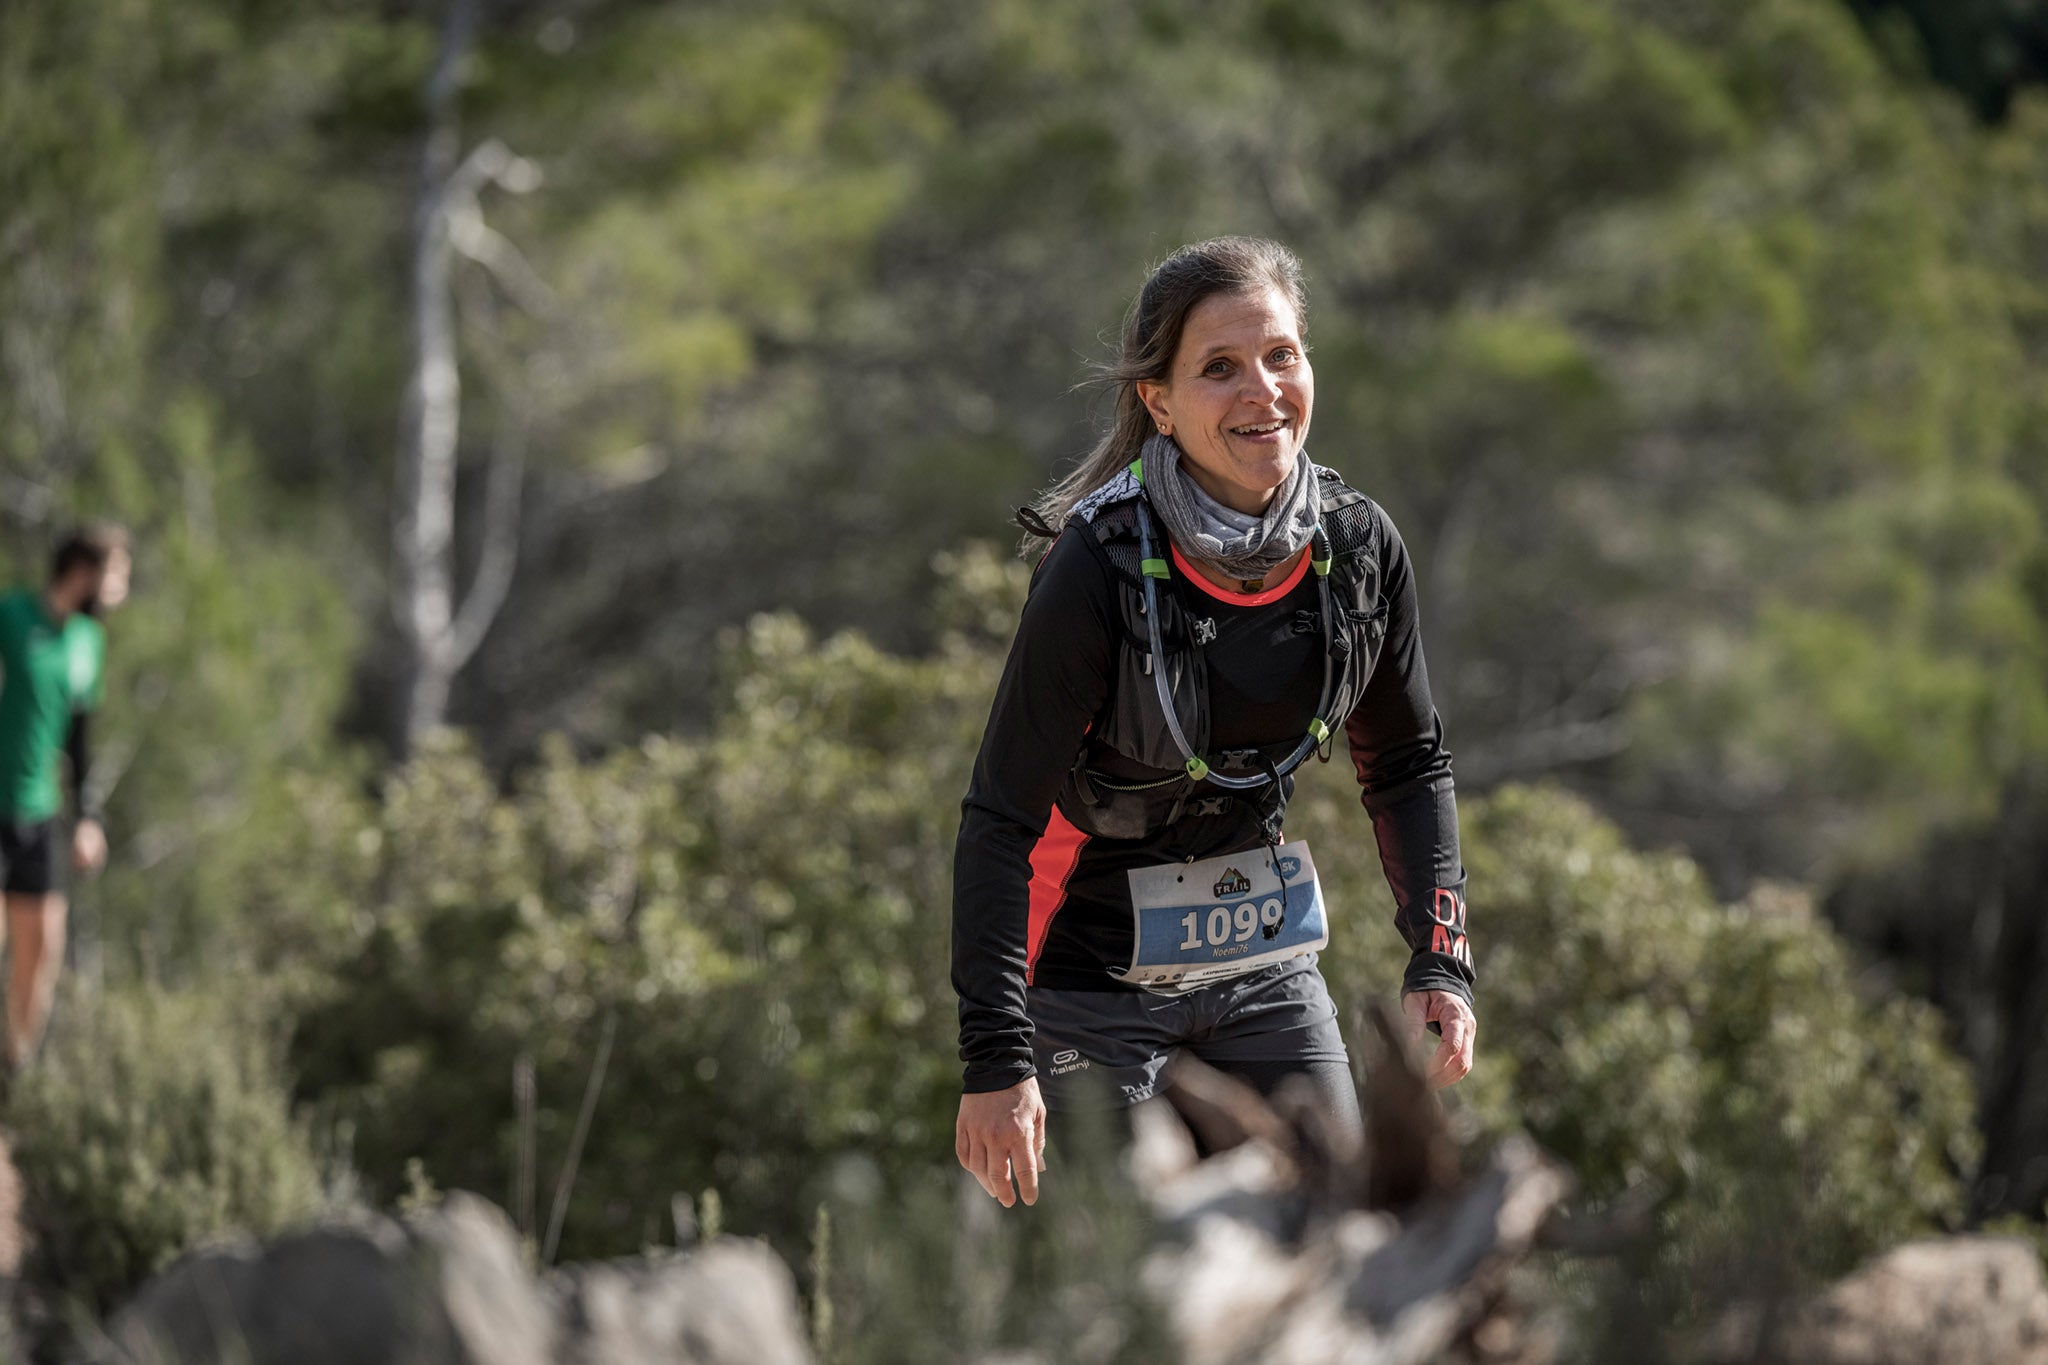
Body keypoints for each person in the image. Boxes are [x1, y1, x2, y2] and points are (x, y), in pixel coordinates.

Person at [951, 238, 1475, 1208]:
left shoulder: (1357, 548)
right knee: (1125, 1301)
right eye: (1219, 368)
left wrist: (1437, 958)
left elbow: (1404, 765)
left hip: (1262, 975)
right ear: (1157, 400)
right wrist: (995, 1059)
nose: (1261, 392)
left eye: (1281, 356)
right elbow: (998, 822)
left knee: (1338, 1238)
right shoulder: (1096, 566)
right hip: (1084, 990)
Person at [0, 525, 129, 1072]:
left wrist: (88, 818)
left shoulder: (87, 642)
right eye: (117, 574)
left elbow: (79, 738)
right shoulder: (12, 617)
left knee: (44, 946)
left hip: (39, 811)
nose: (121, 588)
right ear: (84, 572)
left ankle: (14, 1072)